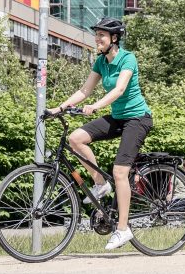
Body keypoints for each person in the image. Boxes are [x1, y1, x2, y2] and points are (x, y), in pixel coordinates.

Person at [50, 17, 153, 251]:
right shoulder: (101, 62)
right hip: (118, 117)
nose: (97, 39)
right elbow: (84, 90)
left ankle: (123, 229)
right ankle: (100, 184)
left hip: (137, 118)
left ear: (114, 38)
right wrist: (60, 108)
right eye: (96, 35)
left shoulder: (128, 58)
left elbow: (119, 89)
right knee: (76, 138)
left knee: (120, 172)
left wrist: (96, 106)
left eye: (101, 35)